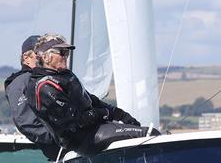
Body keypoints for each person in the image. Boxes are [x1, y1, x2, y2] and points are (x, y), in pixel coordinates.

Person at [25, 33, 156, 156]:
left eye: (68, 52)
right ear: (46, 56)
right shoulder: (44, 86)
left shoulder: (64, 75)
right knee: (149, 134)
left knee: (143, 132)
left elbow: (91, 100)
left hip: (95, 130)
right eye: (62, 52)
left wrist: (121, 114)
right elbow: (76, 120)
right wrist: (104, 113)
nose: (66, 56)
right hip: (83, 139)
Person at [4, 35, 61, 160]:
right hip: (59, 146)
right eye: (39, 54)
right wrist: (59, 138)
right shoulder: (20, 82)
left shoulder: (50, 77)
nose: (45, 58)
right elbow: (26, 122)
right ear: (26, 58)